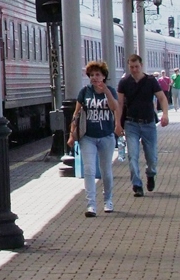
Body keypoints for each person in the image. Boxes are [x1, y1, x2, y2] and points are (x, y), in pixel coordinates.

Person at [67, 61, 122, 217]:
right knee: (89, 169)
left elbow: (114, 107)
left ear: (104, 76)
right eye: (91, 75)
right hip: (88, 137)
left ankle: (108, 200)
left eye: (97, 74)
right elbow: (76, 114)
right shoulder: (84, 92)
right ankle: (91, 204)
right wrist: (72, 134)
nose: (94, 78)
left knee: (106, 170)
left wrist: (106, 92)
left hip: (106, 136)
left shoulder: (110, 90)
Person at [117, 54, 170, 197]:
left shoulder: (151, 81)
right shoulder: (124, 83)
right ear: (128, 66)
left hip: (148, 123)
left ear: (141, 66)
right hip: (131, 123)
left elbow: (162, 98)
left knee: (151, 156)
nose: (134, 70)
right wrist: (117, 123)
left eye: (137, 67)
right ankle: (137, 185)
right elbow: (120, 104)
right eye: (132, 67)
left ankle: (150, 173)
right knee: (132, 155)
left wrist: (165, 114)